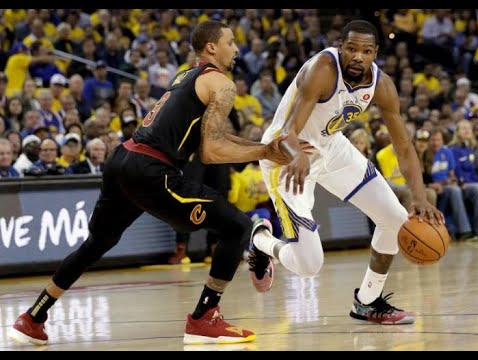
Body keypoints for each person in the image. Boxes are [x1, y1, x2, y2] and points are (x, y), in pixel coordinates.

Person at [8, 20, 289, 346]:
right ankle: (203, 318)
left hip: (122, 159)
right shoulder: (222, 84)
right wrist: (263, 151)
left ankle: (33, 317)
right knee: (237, 227)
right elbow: (211, 152)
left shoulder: (185, 76)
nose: (237, 49)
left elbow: (209, 139)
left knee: (95, 245)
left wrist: (264, 149)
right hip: (152, 169)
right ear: (212, 47)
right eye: (230, 41)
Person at [247, 20, 445, 325]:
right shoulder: (323, 69)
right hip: (284, 154)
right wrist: (296, 153)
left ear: (375, 53)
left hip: (330, 147)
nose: (357, 56)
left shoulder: (382, 85)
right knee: (309, 264)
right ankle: (261, 239)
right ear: (341, 47)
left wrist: (420, 197)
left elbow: (404, 147)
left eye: (366, 51)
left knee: (396, 219)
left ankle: (367, 302)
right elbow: (287, 131)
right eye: (351, 48)